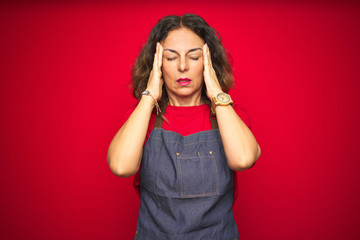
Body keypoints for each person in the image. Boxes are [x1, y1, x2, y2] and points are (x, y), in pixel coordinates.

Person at [107, 13, 261, 240]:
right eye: (170, 58)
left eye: (194, 57)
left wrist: (217, 92)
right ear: (157, 64)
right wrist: (149, 96)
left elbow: (244, 159)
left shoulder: (229, 115)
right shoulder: (142, 117)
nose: (182, 66)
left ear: (208, 62)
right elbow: (121, 166)